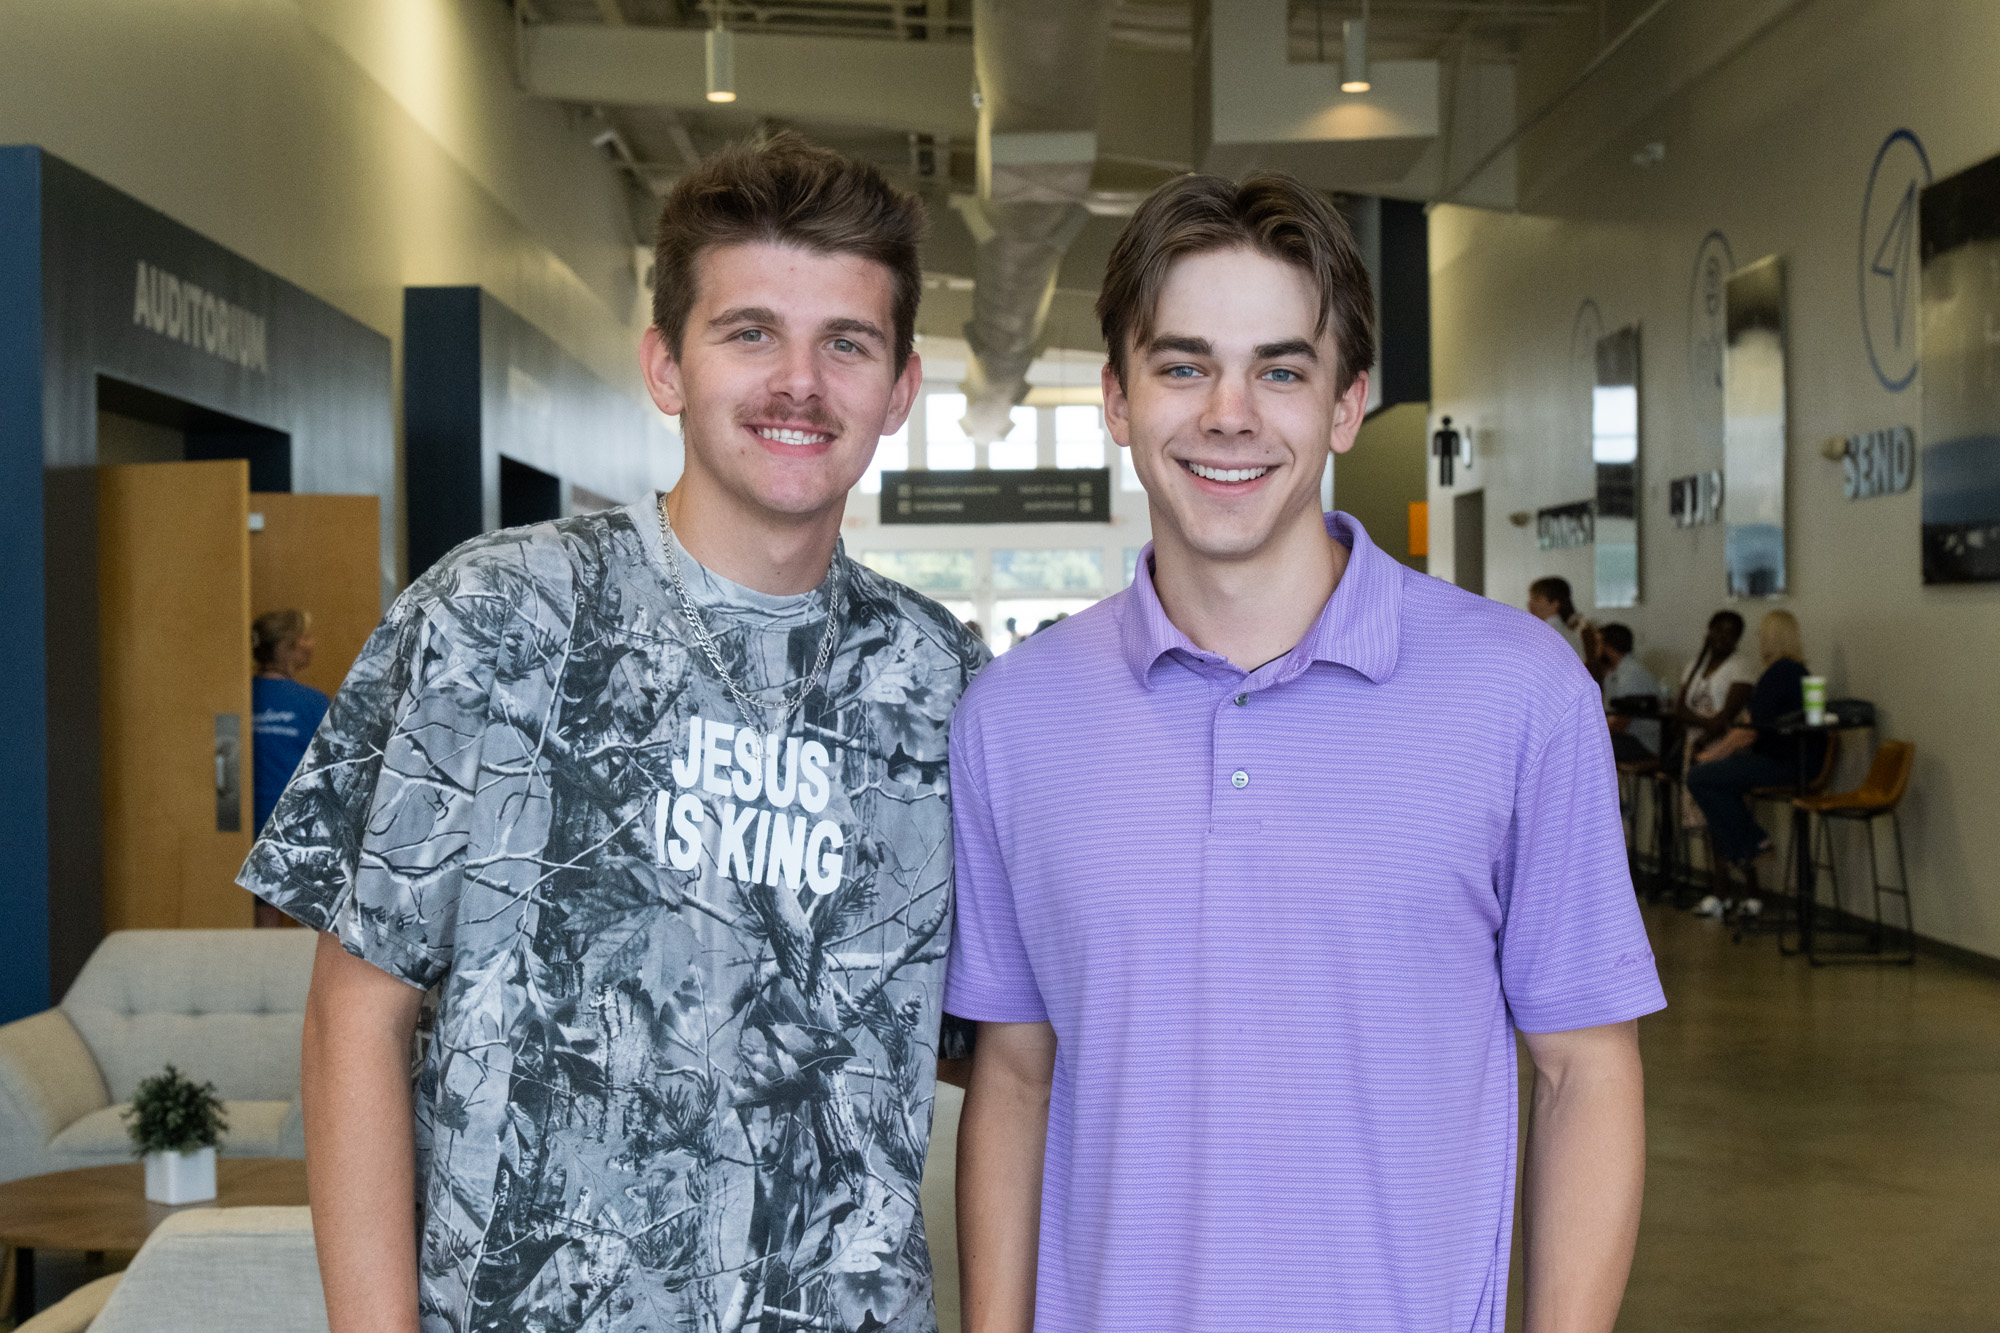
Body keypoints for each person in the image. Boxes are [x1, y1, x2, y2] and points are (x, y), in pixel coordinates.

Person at [240, 133, 988, 1333]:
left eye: (845, 343)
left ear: (898, 390)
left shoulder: (945, 684)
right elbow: (351, 1017)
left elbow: (994, 1049)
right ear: (664, 366)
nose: (799, 382)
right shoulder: (493, 618)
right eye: (749, 333)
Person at [946, 172, 1663, 1333]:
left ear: (1345, 405)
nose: (1229, 413)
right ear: (1116, 398)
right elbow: (1014, 1077)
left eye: (1279, 371)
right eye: (1182, 366)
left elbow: (1584, 1068)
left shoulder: (1520, 694)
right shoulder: (1013, 718)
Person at [1685, 609, 1821, 918]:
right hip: (1796, 760)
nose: (1758, 639)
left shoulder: (1778, 674)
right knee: (1717, 783)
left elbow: (1748, 732)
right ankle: (1747, 849)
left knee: (1700, 778)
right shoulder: (1798, 671)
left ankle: (1753, 844)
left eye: (1761, 634)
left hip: (1783, 763)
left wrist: (1707, 757)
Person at [250, 609, 330, 928]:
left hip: (242, 827)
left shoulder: (239, 697)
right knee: (307, 925)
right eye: (305, 637)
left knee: (262, 920)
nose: (312, 644)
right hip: (297, 827)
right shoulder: (313, 703)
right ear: (288, 646)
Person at [1599, 622, 1664, 764]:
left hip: (1640, 743)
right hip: (1624, 738)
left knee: (1588, 749)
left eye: (1599, 644)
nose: (1596, 649)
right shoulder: (1614, 673)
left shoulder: (1631, 674)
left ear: (1609, 648)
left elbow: (1621, 722)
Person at [1528, 574, 1592, 665]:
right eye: (1531, 599)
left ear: (1555, 604)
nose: (1530, 603)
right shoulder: (1568, 633)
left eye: (1536, 599)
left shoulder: (1549, 633)